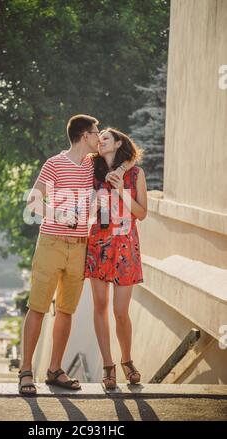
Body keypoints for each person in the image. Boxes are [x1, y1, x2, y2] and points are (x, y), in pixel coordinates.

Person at [19, 115, 134, 395]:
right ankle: (25, 372)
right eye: (96, 133)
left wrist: (127, 165)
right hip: (51, 242)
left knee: (66, 311)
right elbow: (32, 201)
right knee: (37, 308)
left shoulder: (90, 165)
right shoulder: (54, 163)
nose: (99, 137)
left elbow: (127, 156)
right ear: (85, 135)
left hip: (80, 244)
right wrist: (58, 213)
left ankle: (55, 369)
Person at [85, 127, 147, 389]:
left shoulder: (135, 173)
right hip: (98, 243)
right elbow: (84, 206)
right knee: (100, 306)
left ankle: (127, 360)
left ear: (118, 142)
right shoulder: (91, 170)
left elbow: (142, 213)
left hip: (126, 246)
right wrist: (92, 204)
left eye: (105, 138)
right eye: (98, 139)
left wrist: (122, 189)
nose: (100, 142)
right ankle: (108, 366)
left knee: (121, 311)